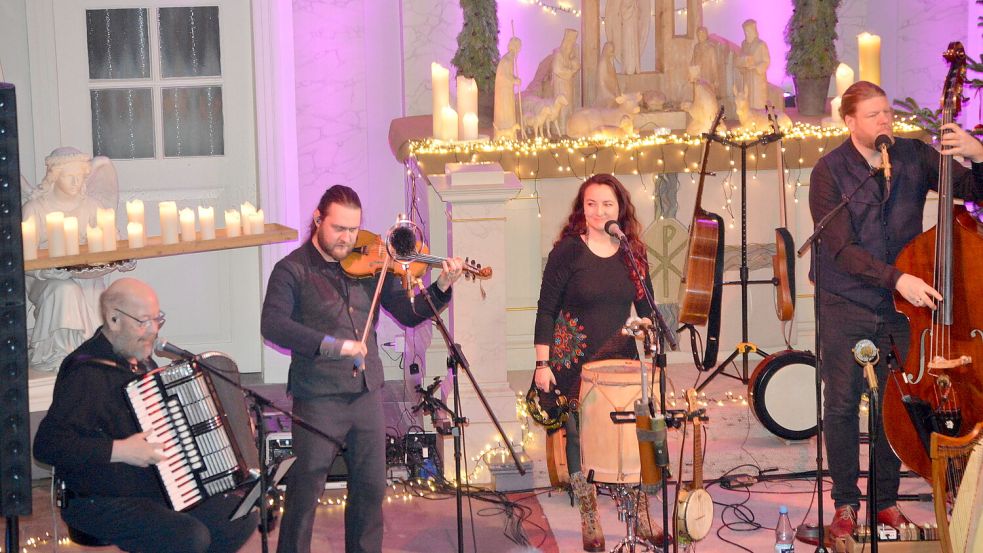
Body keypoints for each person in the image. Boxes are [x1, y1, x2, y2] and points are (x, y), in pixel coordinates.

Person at [808, 81, 983, 540]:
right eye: (873, 115)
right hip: (846, 298)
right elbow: (841, 250)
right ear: (849, 122)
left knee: (897, 403)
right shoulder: (829, 172)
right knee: (843, 403)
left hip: (903, 306)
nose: (885, 121)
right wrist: (898, 277)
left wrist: (978, 154)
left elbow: (971, 192)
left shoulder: (914, 155)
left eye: (887, 112)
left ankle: (885, 503)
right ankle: (846, 502)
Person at [261, 185, 465, 553]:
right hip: (318, 394)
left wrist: (442, 285)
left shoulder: (372, 267)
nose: (348, 238)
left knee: (371, 489)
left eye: (354, 229)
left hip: (368, 392)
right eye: (339, 228)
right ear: (317, 220)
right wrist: (332, 345)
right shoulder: (292, 269)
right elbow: (273, 325)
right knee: (306, 489)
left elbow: (408, 313)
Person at [33, 277, 258, 553]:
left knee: (237, 516)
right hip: (97, 499)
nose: (153, 330)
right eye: (143, 321)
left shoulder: (141, 360)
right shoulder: (87, 373)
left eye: (157, 319)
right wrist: (120, 450)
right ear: (114, 319)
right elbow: (47, 445)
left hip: (154, 487)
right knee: (188, 536)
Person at [533, 174, 663, 552]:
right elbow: (545, 310)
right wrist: (543, 364)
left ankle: (640, 508)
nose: (598, 211)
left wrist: (649, 335)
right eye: (591, 204)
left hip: (619, 354)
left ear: (619, 208)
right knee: (577, 432)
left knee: (632, 430)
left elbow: (647, 307)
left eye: (606, 204)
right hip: (572, 354)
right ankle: (588, 512)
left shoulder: (631, 252)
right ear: (581, 208)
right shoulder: (568, 252)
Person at [21, 147, 125, 371]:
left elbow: (109, 241)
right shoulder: (35, 208)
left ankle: (91, 350)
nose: (76, 182)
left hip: (85, 275)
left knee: (89, 289)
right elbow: (24, 259)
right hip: (45, 280)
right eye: (70, 176)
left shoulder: (91, 206)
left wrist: (119, 257)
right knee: (65, 289)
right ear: (55, 176)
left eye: (80, 176)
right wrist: (48, 270)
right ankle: (62, 352)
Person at [551, 29, 580, 134]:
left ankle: (569, 127)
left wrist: (574, 64)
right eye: (570, 42)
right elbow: (557, 69)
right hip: (561, 86)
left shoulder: (569, 55)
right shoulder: (559, 54)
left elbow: (576, 64)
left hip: (568, 85)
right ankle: (561, 129)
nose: (571, 45)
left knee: (569, 105)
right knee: (562, 107)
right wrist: (570, 71)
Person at [736, 19, 769, 110]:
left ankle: (761, 118)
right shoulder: (744, 44)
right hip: (747, 76)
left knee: (758, 100)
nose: (746, 33)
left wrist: (756, 67)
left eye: (748, 31)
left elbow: (766, 61)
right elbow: (741, 57)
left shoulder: (761, 44)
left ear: (754, 31)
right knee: (748, 98)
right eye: (745, 31)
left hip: (757, 78)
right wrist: (742, 64)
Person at [494, 37, 522, 140]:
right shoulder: (507, 60)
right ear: (515, 47)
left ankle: (510, 134)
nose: (519, 50)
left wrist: (515, 78)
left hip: (507, 91)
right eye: (518, 48)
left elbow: (509, 75)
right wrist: (514, 80)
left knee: (509, 110)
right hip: (504, 92)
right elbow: (504, 76)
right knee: (506, 111)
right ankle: (504, 135)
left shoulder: (510, 59)